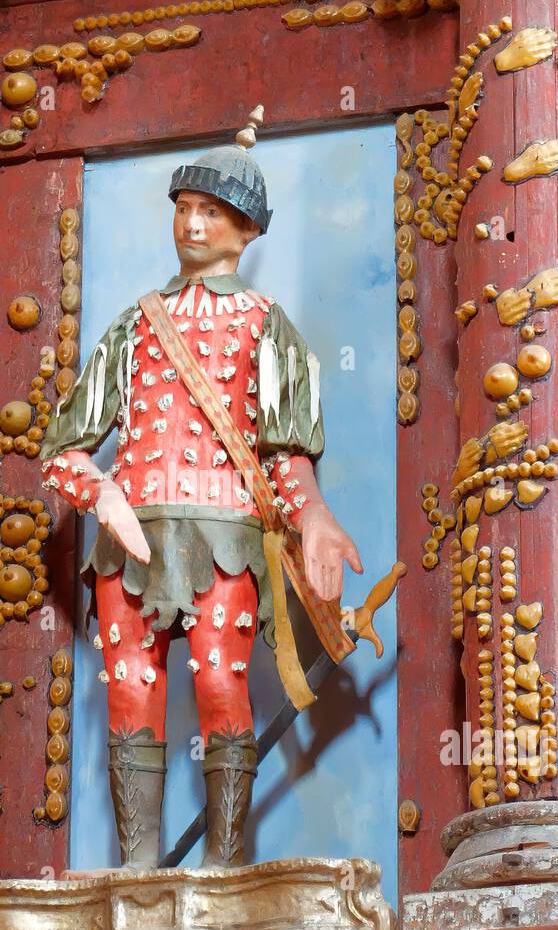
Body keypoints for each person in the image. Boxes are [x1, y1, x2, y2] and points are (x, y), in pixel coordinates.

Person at [41, 108, 361, 870]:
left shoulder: (268, 327)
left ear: (245, 231)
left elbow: (285, 456)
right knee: (129, 691)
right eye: (184, 209)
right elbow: (62, 449)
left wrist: (314, 517)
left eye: (210, 213)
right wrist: (103, 495)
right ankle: (138, 872)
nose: (191, 225)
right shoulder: (131, 327)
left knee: (222, 685)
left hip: (227, 536)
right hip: (131, 540)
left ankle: (223, 872)